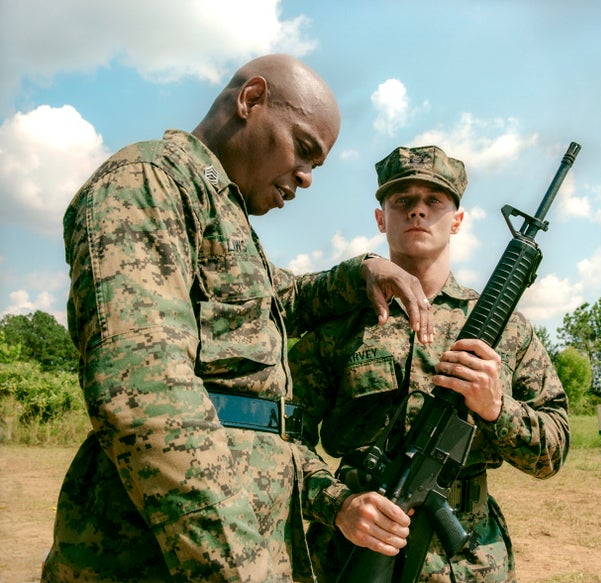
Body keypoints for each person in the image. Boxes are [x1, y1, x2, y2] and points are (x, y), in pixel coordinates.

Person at [41, 55, 434, 583]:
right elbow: (145, 395)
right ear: (250, 100)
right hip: (158, 555)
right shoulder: (150, 183)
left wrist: (362, 271)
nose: (307, 177)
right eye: (305, 149)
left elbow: (280, 297)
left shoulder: (221, 210)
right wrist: (241, 565)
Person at [289, 145, 571, 582]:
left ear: (457, 220)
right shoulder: (336, 328)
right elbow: (283, 439)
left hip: (470, 562)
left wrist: (497, 408)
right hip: (353, 551)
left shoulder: (508, 331)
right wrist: (337, 504)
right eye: (402, 201)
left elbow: (553, 451)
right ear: (381, 218)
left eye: (433, 201)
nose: (417, 211)